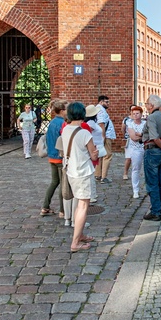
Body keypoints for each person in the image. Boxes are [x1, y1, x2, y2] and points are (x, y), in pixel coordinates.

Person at [61, 102, 99, 252]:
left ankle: (80, 233)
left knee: (79, 205)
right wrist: (95, 153)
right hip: (83, 172)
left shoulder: (65, 130)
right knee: (83, 206)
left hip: (71, 171)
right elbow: (93, 153)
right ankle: (75, 242)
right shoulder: (84, 133)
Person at [142, 94, 161, 221]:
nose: (146, 106)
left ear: (152, 105)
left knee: (152, 182)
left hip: (153, 150)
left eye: (147, 104)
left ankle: (155, 211)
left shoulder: (151, 118)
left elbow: (154, 137)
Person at [41, 99, 68, 218]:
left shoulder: (52, 122)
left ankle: (45, 206)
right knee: (63, 185)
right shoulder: (62, 123)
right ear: (62, 110)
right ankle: (63, 210)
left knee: (54, 182)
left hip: (51, 157)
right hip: (60, 158)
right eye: (66, 109)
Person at [125, 106, 147, 199]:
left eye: (137, 113)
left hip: (146, 148)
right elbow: (133, 138)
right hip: (135, 149)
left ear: (141, 114)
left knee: (148, 169)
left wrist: (140, 135)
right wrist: (143, 136)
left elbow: (150, 135)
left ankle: (148, 188)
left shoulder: (145, 123)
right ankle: (136, 190)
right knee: (136, 169)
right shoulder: (130, 124)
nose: (135, 115)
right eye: (133, 113)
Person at [94, 95, 116, 184]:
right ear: (101, 102)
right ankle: (104, 177)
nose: (108, 104)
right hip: (105, 136)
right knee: (107, 155)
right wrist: (103, 137)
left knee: (100, 155)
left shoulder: (98, 109)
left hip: (103, 135)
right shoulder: (101, 110)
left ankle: (98, 175)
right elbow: (101, 124)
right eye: (106, 102)